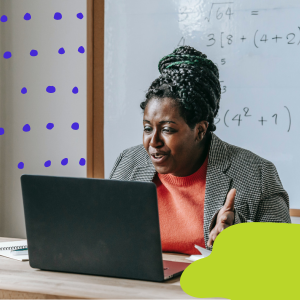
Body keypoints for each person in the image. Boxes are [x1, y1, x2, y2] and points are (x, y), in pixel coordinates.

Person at [109, 46, 291, 255]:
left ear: (200, 131)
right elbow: (103, 236)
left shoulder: (256, 174)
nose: (153, 141)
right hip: (136, 286)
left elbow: (283, 255)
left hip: (214, 286)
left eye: (167, 129)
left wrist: (239, 235)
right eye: (148, 128)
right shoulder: (129, 163)